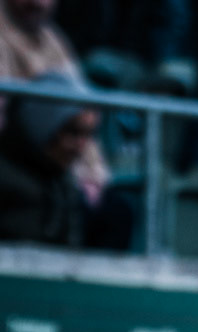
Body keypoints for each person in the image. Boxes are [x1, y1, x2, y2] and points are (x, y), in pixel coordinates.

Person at [0, 0, 109, 195]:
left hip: (57, 168)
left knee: (117, 209)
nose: (36, 0)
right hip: (17, 164)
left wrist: (93, 175)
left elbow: (83, 112)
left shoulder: (54, 40)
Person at [0, 72, 130, 248]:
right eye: (73, 132)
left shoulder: (63, 183)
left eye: (88, 135)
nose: (81, 146)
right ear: (40, 125)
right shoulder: (7, 179)